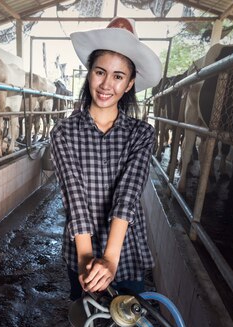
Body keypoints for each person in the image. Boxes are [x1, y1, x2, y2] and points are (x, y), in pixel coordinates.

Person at [51, 17, 162, 300]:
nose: (106, 84)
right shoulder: (64, 132)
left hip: (125, 251)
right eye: (100, 72)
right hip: (81, 246)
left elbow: (128, 196)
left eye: (118, 76)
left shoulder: (141, 134)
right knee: (87, 325)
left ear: (129, 84)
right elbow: (74, 196)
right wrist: (87, 258)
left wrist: (110, 259)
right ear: (89, 73)